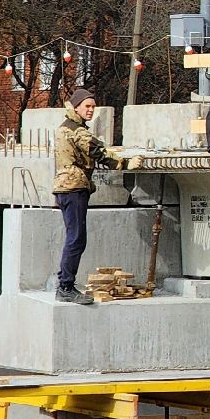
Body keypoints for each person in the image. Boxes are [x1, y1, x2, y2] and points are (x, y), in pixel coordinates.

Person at [53, 89, 119, 305]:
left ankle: (65, 284)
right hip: (73, 187)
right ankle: (65, 287)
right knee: (76, 238)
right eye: (87, 106)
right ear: (76, 107)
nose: (91, 110)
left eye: (93, 106)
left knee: (75, 237)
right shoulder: (75, 129)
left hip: (68, 186)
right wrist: (123, 163)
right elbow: (96, 150)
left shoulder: (69, 126)